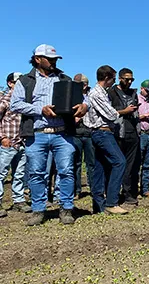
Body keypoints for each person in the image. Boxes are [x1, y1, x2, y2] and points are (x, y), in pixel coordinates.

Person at [10, 44, 88, 226]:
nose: (53, 62)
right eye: (50, 59)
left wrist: (84, 107)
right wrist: (40, 109)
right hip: (36, 134)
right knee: (37, 174)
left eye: (55, 59)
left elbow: (84, 101)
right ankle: (38, 210)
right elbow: (15, 104)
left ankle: (66, 208)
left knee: (67, 172)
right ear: (38, 59)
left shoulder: (64, 79)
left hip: (63, 133)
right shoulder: (25, 81)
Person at [84, 66, 129, 215]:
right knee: (120, 161)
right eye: (113, 78)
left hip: (101, 132)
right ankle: (111, 202)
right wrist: (121, 112)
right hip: (102, 132)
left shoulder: (102, 93)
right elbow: (110, 114)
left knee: (100, 167)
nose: (114, 82)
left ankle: (99, 205)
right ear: (107, 78)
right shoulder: (97, 94)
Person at [0, 72, 31, 217]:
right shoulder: (5, 100)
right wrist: (2, 138)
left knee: (19, 174)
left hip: (22, 142)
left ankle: (19, 200)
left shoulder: (26, 101)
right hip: (8, 142)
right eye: (17, 82)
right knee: (1, 174)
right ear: (10, 83)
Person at [108, 68, 141, 206]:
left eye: (131, 79)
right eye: (126, 79)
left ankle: (129, 194)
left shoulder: (133, 93)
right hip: (117, 132)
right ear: (120, 78)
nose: (129, 82)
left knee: (131, 166)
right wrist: (124, 111)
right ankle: (112, 195)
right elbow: (107, 112)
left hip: (132, 132)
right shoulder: (111, 92)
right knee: (117, 164)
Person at [72, 74, 95, 197]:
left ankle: (93, 188)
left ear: (85, 85)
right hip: (75, 133)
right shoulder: (71, 96)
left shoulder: (92, 96)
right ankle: (76, 190)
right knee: (76, 163)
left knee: (91, 163)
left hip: (89, 133)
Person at [137, 79, 149, 197]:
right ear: (142, 89)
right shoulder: (136, 100)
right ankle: (133, 188)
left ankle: (145, 189)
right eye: (147, 91)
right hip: (140, 134)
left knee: (148, 164)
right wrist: (144, 116)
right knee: (136, 163)